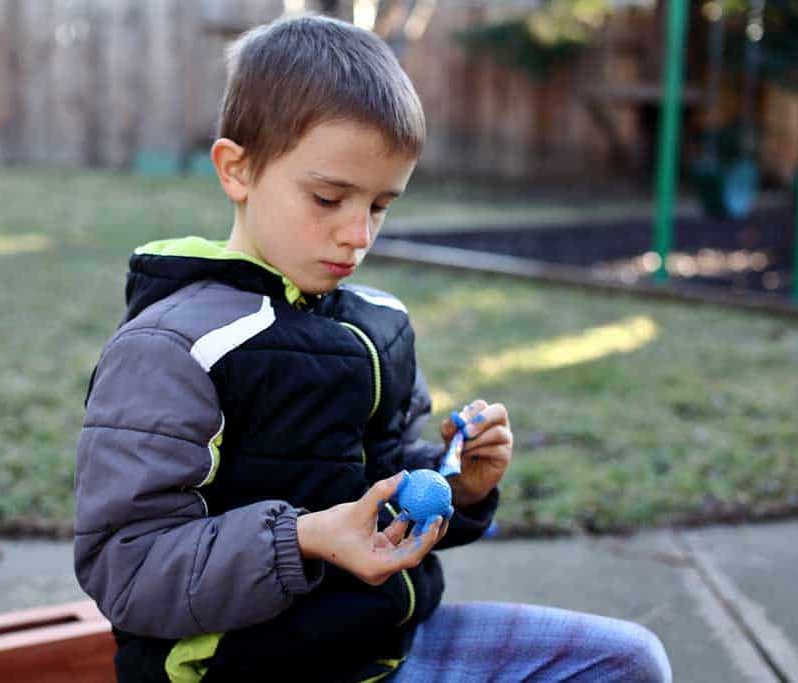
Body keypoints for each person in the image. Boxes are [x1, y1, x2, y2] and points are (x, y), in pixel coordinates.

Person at [74, 13, 671, 683]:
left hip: (391, 645)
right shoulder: (173, 345)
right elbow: (124, 567)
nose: (358, 234)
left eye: (381, 205)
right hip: (253, 670)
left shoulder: (379, 324)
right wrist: (301, 540)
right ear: (236, 169)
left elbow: (375, 486)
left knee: (628, 662)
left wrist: (458, 485)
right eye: (329, 198)